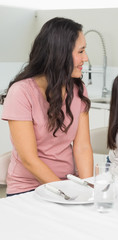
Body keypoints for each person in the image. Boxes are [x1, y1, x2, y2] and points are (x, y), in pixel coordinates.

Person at [0, 17, 94, 195]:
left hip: (67, 183)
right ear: (60, 54)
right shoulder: (21, 92)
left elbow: (82, 147)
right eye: (80, 51)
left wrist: (87, 188)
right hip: (29, 189)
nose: (86, 58)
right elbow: (29, 159)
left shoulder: (78, 89)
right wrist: (66, 192)